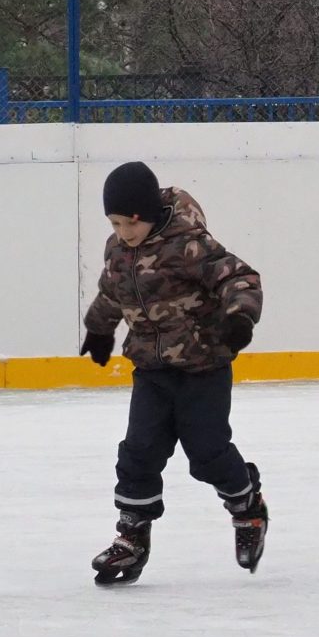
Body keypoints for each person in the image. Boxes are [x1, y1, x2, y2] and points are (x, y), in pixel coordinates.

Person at [80, 162, 268, 585]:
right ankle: (131, 537)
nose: (121, 232)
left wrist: (240, 319)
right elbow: (112, 292)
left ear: (144, 215)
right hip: (151, 370)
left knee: (207, 454)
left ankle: (248, 508)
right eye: (113, 223)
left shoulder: (189, 245)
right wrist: (99, 328)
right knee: (138, 451)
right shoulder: (118, 250)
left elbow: (240, 278)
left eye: (127, 224)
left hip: (203, 367)